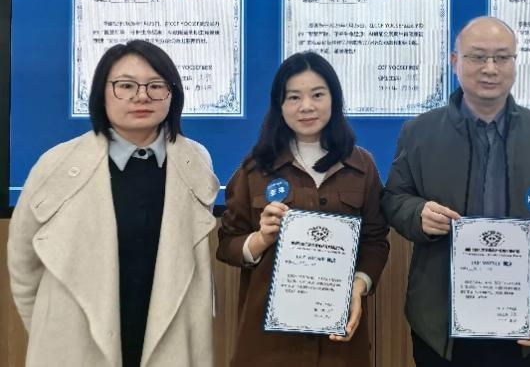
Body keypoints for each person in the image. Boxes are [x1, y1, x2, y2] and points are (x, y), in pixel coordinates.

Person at [381, 16, 530, 367]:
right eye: (478, 57)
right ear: (455, 61)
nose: (490, 68)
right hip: (441, 324)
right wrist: (416, 214)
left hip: (525, 321)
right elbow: (393, 198)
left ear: (514, 62)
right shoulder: (418, 132)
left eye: (502, 57)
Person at [8, 40, 219, 367]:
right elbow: (23, 262)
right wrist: (49, 333)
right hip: (76, 345)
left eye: (156, 85)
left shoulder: (197, 160)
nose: (141, 96)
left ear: (172, 94)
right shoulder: (56, 164)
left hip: (170, 340)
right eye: (125, 85)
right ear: (101, 93)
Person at [216, 51, 389, 367]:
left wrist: (358, 285)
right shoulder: (256, 168)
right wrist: (260, 239)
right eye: (294, 97)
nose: (306, 106)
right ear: (279, 106)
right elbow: (227, 244)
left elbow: (375, 241)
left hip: (339, 340)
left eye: (317, 95)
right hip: (268, 343)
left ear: (334, 100)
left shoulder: (361, 165)